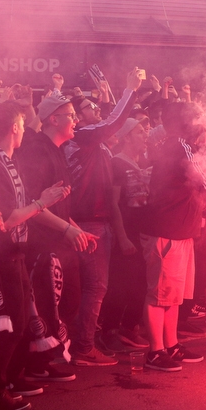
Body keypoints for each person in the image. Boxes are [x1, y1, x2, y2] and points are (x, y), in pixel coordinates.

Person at [0, 101, 70, 410]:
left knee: (21, 321)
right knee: (9, 323)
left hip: (15, 252)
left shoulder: (6, 159)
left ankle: (6, 381)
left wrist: (50, 208)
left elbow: (24, 205)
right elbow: (9, 216)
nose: (27, 130)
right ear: (15, 127)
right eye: (23, 124)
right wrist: (43, 202)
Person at [62, 68, 143, 366]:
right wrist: (130, 90)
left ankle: (77, 343)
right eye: (88, 108)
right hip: (88, 223)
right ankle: (83, 347)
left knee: (86, 290)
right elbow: (112, 123)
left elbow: (110, 123)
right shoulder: (82, 136)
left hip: (93, 221)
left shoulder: (91, 139)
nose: (95, 110)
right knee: (95, 288)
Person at [14, 94, 92, 383]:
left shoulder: (58, 150)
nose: (77, 120)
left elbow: (58, 201)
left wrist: (75, 228)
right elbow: (34, 204)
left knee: (68, 302)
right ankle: (34, 363)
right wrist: (66, 229)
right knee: (46, 306)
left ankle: (44, 360)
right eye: (71, 114)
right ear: (52, 119)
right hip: (43, 245)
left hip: (61, 241)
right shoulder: (36, 150)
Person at [140, 103, 206, 371]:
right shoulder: (179, 145)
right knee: (159, 295)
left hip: (180, 232)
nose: (200, 122)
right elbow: (203, 179)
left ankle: (171, 345)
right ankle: (155, 351)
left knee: (174, 296)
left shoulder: (183, 146)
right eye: (195, 117)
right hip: (166, 232)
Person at [99, 118, 152, 353]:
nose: (145, 136)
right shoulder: (117, 163)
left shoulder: (143, 161)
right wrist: (122, 237)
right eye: (140, 132)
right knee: (121, 284)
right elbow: (113, 203)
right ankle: (109, 330)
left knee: (140, 282)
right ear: (128, 136)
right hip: (126, 233)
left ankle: (130, 328)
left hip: (142, 232)